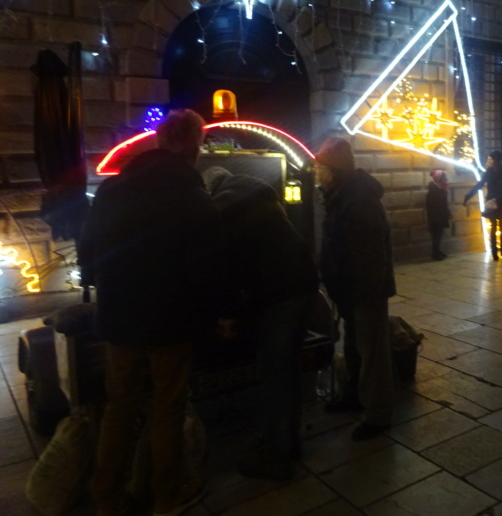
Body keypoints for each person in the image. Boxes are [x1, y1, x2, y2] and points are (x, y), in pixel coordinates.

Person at [78, 109, 220, 516]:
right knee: (167, 408)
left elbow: (87, 255)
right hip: (171, 324)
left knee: (119, 407)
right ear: (193, 146)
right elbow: (208, 270)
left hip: (119, 319)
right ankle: (165, 498)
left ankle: (106, 499)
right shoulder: (194, 198)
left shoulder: (111, 191)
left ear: (159, 141)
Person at [202, 166, 319, 480]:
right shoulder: (258, 196)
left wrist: (227, 314)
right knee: (289, 371)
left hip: (279, 295)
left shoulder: (225, 207)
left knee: (275, 375)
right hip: (303, 286)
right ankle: (287, 441)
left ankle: (276, 456)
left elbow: (226, 268)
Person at [314, 137, 396, 441]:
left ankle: (378, 414)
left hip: (364, 292)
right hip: (348, 290)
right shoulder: (340, 195)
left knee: (372, 352)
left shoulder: (358, 200)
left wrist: (363, 295)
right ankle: (353, 394)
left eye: (320, 167)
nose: (316, 173)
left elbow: (370, 258)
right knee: (353, 347)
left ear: (332, 170)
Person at [463, 150, 502, 260]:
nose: (492, 162)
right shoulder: (489, 172)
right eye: (492, 160)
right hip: (492, 202)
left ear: (498, 160)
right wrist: (468, 195)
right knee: (494, 227)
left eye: (493, 159)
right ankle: (494, 252)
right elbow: (480, 184)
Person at [426, 169, 451, 261]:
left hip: (440, 215)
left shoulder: (441, 188)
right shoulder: (434, 190)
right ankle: (435, 253)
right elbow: (432, 206)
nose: (446, 179)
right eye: (444, 177)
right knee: (436, 235)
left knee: (439, 235)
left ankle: (437, 251)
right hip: (436, 217)